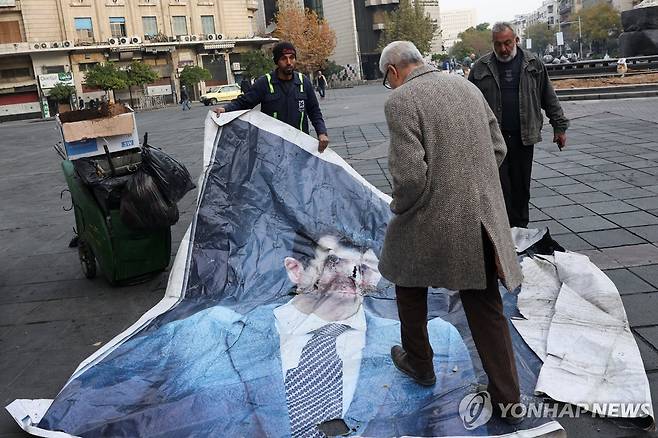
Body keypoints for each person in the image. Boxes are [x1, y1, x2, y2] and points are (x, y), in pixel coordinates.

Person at [39, 233, 473, 436]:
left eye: (361, 265)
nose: (350, 274)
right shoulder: (209, 331)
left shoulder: (434, 342)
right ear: (295, 269)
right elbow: (109, 395)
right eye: (334, 261)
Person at [377, 41, 524, 423]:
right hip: (480, 219)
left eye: (385, 80)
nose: (388, 87)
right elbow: (498, 148)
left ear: (393, 71)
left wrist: (402, 206)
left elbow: (410, 178)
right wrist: (468, 181)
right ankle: (508, 399)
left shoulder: (401, 101)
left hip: (432, 219)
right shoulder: (467, 87)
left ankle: (420, 362)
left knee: (406, 280)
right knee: (485, 304)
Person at [468, 22, 569, 228]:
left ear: (516, 40)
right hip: (494, 140)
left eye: (507, 43)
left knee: (521, 188)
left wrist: (559, 127)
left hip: (524, 137)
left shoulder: (533, 63)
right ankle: (504, 232)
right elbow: (467, 102)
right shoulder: (480, 67)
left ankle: (521, 230)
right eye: (498, 44)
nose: (503, 49)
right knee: (500, 189)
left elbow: (547, 96)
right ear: (493, 44)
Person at [214, 42, 330, 153]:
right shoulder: (265, 83)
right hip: (272, 148)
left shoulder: (303, 82)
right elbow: (244, 102)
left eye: (292, 57)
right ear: (276, 61)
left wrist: (322, 133)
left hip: (300, 145)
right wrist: (225, 109)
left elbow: (314, 111)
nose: (289, 62)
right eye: (284, 58)